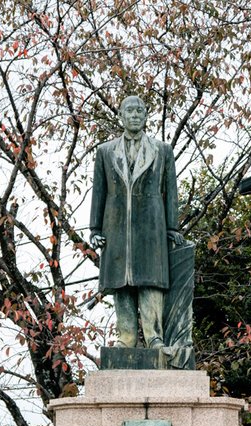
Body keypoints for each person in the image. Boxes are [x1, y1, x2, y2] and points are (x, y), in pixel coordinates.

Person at [89, 94, 180, 350]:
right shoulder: (105, 151)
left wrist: (172, 227)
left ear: (146, 116)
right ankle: (126, 338)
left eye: (140, 111)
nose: (135, 115)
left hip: (152, 226)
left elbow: (171, 192)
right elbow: (99, 192)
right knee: (122, 283)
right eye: (129, 111)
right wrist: (95, 229)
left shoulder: (162, 150)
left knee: (150, 282)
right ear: (120, 116)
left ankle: (154, 337)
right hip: (115, 228)